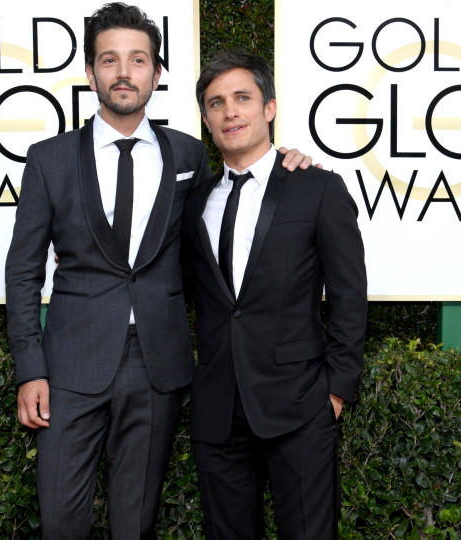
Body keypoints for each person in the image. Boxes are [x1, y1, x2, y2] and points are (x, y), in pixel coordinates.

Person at [5, 5, 311, 537]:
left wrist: (291, 163)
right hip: (69, 369)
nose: (124, 72)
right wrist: (30, 368)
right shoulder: (48, 159)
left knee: (135, 524)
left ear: (157, 72)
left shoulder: (190, 155)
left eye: (138, 60)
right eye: (110, 60)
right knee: (60, 522)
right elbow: (23, 271)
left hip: (159, 367)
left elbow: (230, 218)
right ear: (91, 71)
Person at [182, 50, 368, 539]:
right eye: (216, 103)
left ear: (269, 108)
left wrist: (335, 391)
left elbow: (350, 294)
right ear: (206, 119)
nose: (230, 112)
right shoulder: (195, 199)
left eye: (242, 98)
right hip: (218, 410)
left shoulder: (318, 189)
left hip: (300, 405)